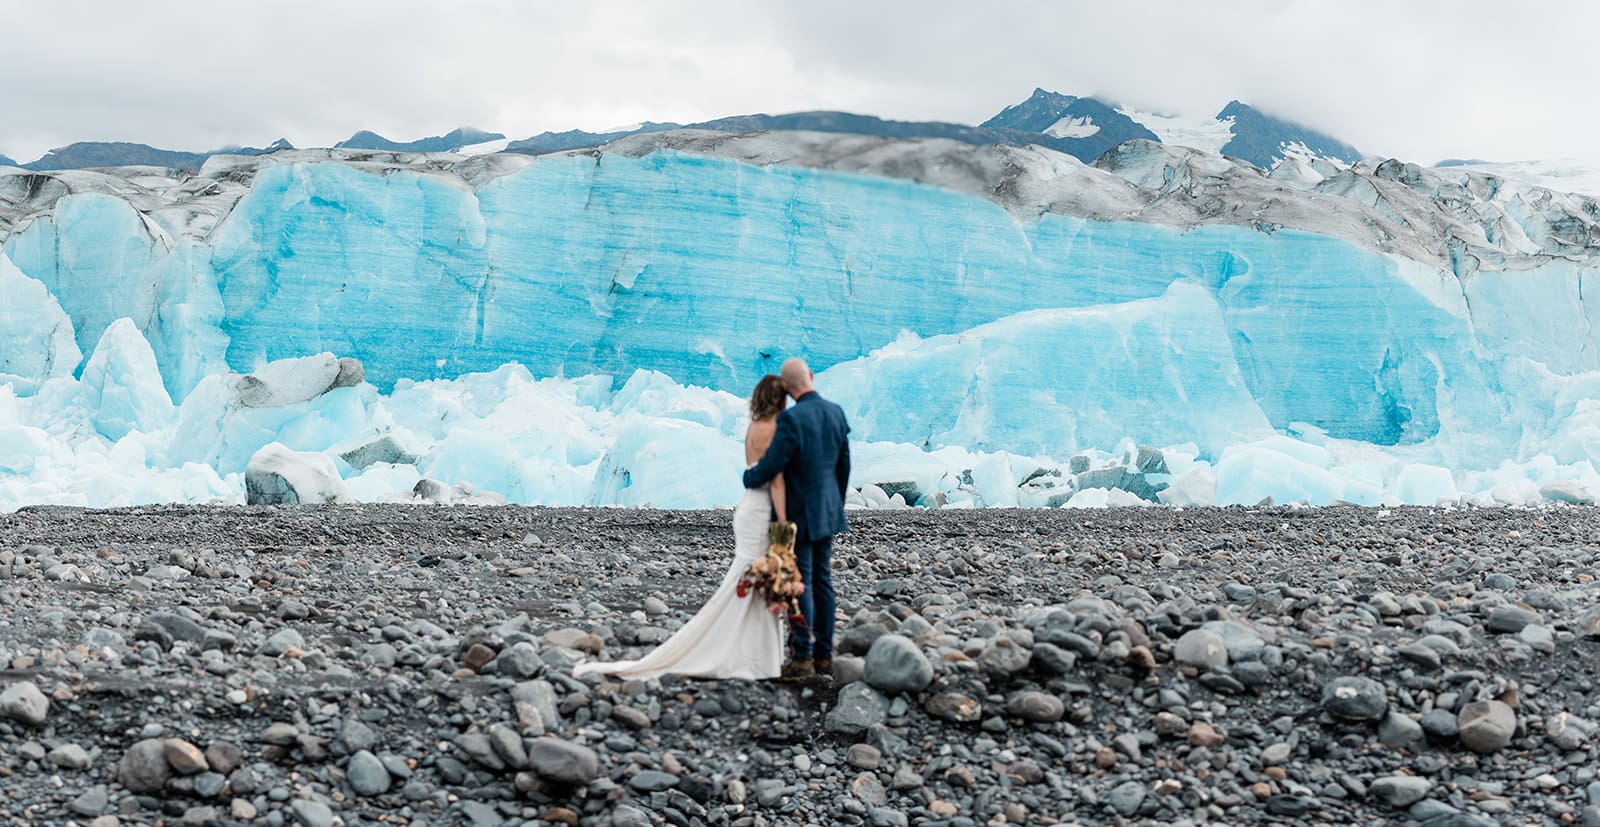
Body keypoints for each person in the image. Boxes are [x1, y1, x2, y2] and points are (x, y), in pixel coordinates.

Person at [573, 376, 790, 681]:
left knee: (747, 579)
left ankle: (746, 652)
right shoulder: (773, 431)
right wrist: (783, 521)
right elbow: (777, 480)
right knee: (759, 579)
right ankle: (754, 655)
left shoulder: (754, 428)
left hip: (749, 510)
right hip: (765, 510)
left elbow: (752, 472)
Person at [743, 357, 851, 680]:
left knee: (799, 582)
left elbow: (773, 464)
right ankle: (825, 656)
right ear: (812, 376)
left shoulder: (791, 420)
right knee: (823, 581)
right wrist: (836, 502)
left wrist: (750, 478)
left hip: (798, 516)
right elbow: (844, 465)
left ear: (788, 389)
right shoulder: (836, 412)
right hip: (828, 511)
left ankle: (802, 656)